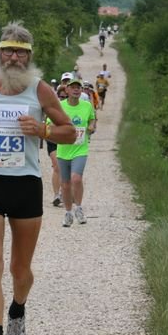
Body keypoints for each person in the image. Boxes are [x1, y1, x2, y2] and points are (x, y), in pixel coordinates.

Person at [0, 21, 75, 335]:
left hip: (26, 183)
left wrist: (42, 130)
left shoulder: (41, 91)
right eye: (9, 51)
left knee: (19, 268)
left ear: (28, 58)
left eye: (21, 53)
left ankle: (18, 309)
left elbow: (70, 132)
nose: (14, 58)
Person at [56, 77, 97, 227]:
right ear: (66, 90)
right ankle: (68, 213)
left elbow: (92, 119)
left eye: (78, 88)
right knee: (65, 184)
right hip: (63, 149)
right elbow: (49, 123)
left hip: (80, 148)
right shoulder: (59, 106)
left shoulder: (87, 106)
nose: (76, 89)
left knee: (76, 179)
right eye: (73, 87)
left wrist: (91, 126)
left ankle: (78, 208)